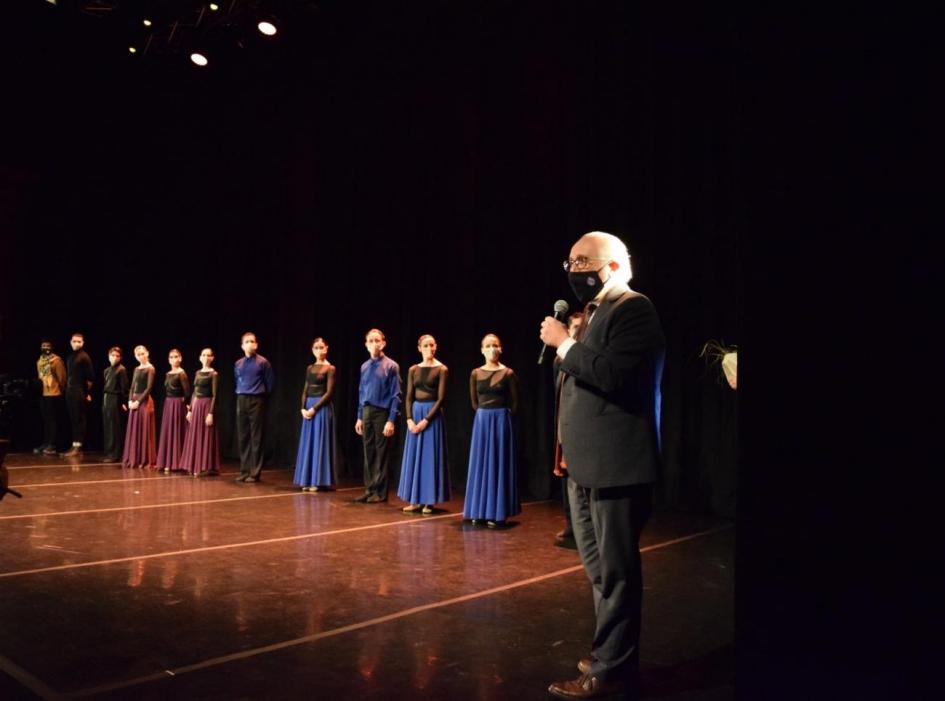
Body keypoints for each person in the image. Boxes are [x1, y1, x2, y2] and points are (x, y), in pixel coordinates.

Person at [540, 231, 665, 700]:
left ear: (610, 266)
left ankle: (612, 670)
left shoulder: (634, 308)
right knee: (599, 571)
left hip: (617, 466)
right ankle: (612, 654)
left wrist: (566, 346)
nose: (573, 271)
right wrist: (569, 344)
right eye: (568, 262)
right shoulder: (592, 314)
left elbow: (615, 375)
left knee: (616, 572)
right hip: (585, 465)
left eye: (581, 262)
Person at [463, 333, 520, 528]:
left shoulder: (508, 373)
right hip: (482, 420)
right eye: (488, 345)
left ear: (501, 348)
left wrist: (502, 417)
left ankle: (497, 512)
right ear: (482, 350)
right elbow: (473, 401)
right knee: (480, 464)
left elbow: (515, 403)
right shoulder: (475, 373)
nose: (492, 348)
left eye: (495, 345)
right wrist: (485, 416)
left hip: (500, 420)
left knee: (497, 463)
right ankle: (477, 511)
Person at [397, 334, 450, 514]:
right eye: (425, 345)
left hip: (432, 416)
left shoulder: (442, 369)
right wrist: (409, 419)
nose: (429, 348)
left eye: (432, 345)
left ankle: (428, 501)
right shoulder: (413, 369)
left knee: (428, 458)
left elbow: (441, 398)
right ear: (419, 348)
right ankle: (415, 500)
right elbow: (409, 396)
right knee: (414, 458)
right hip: (416, 413)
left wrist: (426, 420)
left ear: (436, 347)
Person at [354, 328, 401, 503]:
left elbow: (396, 395)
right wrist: (359, 416)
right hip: (367, 412)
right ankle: (369, 489)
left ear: (383, 343)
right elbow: (361, 392)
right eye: (371, 341)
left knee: (381, 453)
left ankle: (380, 493)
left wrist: (391, 420)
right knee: (369, 452)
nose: (374, 344)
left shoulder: (391, 366)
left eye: (377, 341)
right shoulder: (364, 366)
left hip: (382, 412)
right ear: (366, 345)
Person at [553, 312, 583, 545]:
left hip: (582, 426)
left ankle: (582, 528)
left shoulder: (584, 358)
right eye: (573, 327)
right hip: (564, 423)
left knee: (578, 477)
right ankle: (570, 524)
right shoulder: (559, 359)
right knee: (565, 475)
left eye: (580, 327)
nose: (576, 331)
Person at [293, 338, 336, 492]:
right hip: (309, 408)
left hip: (321, 408)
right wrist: (303, 408)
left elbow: (329, 392)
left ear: (326, 348)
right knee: (309, 443)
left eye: (321, 347)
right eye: (316, 347)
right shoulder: (310, 368)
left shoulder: (330, 368)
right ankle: (306, 479)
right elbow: (305, 389)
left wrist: (314, 408)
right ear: (313, 350)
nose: (319, 350)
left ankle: (317, 481)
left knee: (319, 442)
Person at [234, 332, 274, 483]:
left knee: (256, 437)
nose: (250, 343)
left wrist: (261, 398)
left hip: (257, 400)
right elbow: (237, 381)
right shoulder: (238, 363)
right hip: (241, 399)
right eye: (247, 341)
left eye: (252, 341)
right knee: (243, 437)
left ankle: (255, 472)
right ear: (242, 346)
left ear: (256, 345)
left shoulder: (263, 362)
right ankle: (244, 471)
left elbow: (270, 384)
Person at [180, 348, 220, 477]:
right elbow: (194, 392)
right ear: (200, 357)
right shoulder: (197, 372)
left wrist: (210, 413)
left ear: (212, 358)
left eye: (209, 355)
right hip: (196, 406)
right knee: (195, 435)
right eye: (203, 355)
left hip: (207, 405)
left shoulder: (214, 374)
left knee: (206, 435)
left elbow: (215, 395)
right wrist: (190, 410)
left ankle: (205, 466)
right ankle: (193, 464)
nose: (206, 357)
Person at [156, 349, 191, 474]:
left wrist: (184, 404)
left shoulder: (182, 373)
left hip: (177, 404)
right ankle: (167, 462)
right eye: (171, 357)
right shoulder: (168, 373)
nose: (173, 359)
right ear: (168, 359)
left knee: (176, 431)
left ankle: (177, 462)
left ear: (180, 358)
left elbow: (187, 392)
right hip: (168, 403)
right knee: (168, 431)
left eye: (176, 356)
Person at [122, 345, 157, 469]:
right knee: (134, 430)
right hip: (135, 401)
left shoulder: (150, 368)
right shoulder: (137, 369)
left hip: (144, 401)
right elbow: (132, 387)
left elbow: (148, 388)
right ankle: (134, 458)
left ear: (147, 353)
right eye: (138, 354)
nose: (141, 356)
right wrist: (130, 400)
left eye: (142, 353)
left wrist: (139, 401)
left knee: (144, 430)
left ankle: (145, 459)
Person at [62, 333, 94, 457]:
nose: (76, 343)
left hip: (79, 391)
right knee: (73, 419)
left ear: (83, 343)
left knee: (79, 419)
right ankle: (74, 445)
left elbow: (90, 378)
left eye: (79, 341)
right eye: (74, 341)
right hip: (70, 391)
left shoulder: (84, 357)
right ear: (70, 342)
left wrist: (87, 393)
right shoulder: (70, 356)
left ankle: (78, 447)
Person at [35, 339, 67, 456]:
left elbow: (62, 377)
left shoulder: (56, 360)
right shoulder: (40, 360)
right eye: (43, 346)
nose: (45, 348)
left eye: (48, 346)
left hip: (53, 393)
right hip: (42, 392)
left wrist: (60, 389)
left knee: (52, 420)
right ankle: (46, 442)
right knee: (46, 419)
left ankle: (52, 444)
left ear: (52, 347)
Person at [102, 346, 129, 462]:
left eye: (117, 356)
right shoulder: (107, 370)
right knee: (107, 426)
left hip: (115, 398)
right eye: (112, 355)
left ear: (120, 358)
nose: (114, 358)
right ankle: (109, 451)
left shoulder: (121, 369)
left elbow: (124, 388)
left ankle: (115, 454)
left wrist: (124, 401)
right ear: (108, 356)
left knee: (114, 427)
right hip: (106, 398)